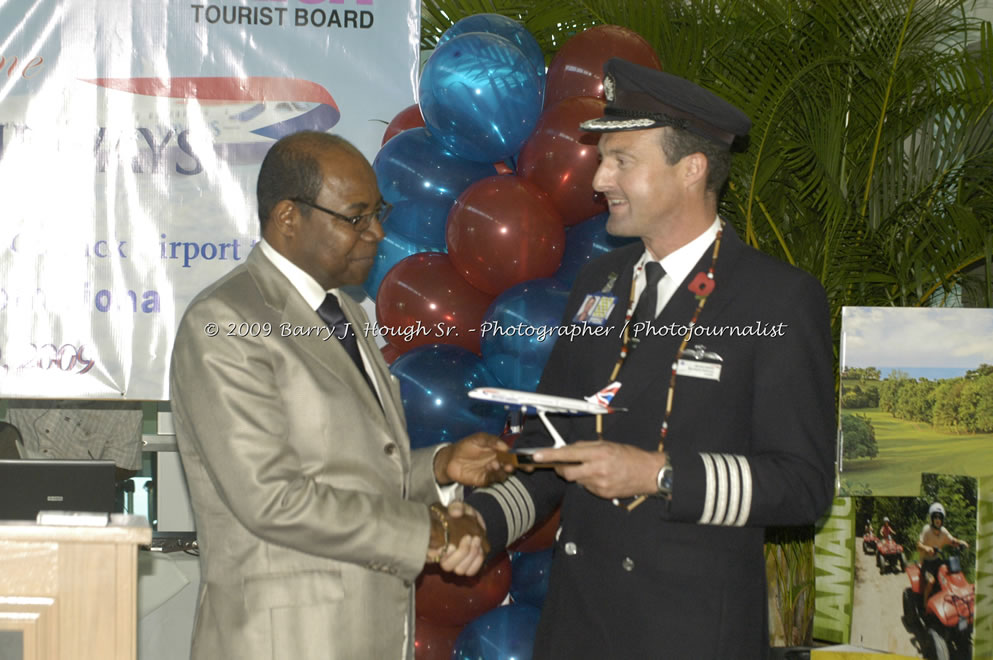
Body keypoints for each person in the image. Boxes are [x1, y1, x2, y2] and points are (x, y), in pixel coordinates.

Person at [462, 58, 835, 659]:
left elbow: (803, 484)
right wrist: (484, 520)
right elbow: (553, 437)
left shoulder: (776, 297)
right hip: (578, 627)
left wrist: (659, 474)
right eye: (603, 159)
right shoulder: (597, 283)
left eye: (622, 161)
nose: (599, 179)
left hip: (689, 633)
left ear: (691, 170)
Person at [169, 131, 509, 660]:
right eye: (355, 217)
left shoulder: (343, 311)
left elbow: (352, 469)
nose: (375, 233)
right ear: (288, 217)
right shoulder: (226, 321)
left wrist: (439, 468)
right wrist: (430, 531)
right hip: (284, 641)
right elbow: (272, 499)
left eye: (378, 212)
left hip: (368, 630)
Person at [1, 400, 143, 481]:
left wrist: (79, 476)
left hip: (79, 504)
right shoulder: (26, 368)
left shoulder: (123, 400)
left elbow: (125, 465)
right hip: (17, 490)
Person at [917, 502, 967, 605]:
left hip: (937, 560)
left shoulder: (943, 531)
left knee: (950, 574)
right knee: (931, 581)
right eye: (935, 517)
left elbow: (952, 540)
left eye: (939, 517)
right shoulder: (926, 530)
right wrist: (926, 548)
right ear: (931, 518)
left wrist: (961, 543)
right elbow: (918, 545)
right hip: (926, 563)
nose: (937, 520)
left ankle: (952, 599)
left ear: (942, 519)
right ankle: (925, 605)